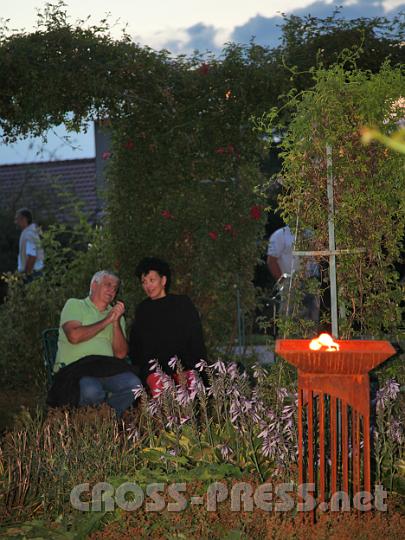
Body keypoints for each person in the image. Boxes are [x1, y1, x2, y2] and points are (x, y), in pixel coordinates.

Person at [47, 270, 142, 416]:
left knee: (134, 385)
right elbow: (74, 336)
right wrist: (107, 320)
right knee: (92, 390)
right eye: (108, 284)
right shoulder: (75, 305)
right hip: (76, 370)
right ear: (94, 285)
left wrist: (115, 321)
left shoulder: (116, 316)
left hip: (106, 369)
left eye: (115, 288)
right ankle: (95, 424)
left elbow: (120, 354)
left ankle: (106, 420)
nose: (112, 290)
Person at [129, 257, 207, 397]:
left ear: (163, 280)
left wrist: (192, 367)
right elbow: (137, 346)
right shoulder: (142, 309)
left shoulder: (182, 304)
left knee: (189, 394)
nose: (148, 286)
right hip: (155, 369)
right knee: (161, 390)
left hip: (184, 365)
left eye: (152, 280)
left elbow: (195, 339)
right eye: (144, 282)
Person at [267, 225, 319, 327]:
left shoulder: (311, 233)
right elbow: (271, 261)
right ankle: (288, 340)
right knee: (289, 316)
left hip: (311, 280)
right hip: (290, 281)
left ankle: (310, 340)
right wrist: (283, 281)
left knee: (313, 316)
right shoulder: (280, 235)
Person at [14, 208, 44, 282]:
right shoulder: (31, 232)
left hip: (32, 274)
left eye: (17, 219)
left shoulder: (29, 235)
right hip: (35, 272)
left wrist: (26, 274)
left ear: (24, 219)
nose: (15, 222)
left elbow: (32, 256)